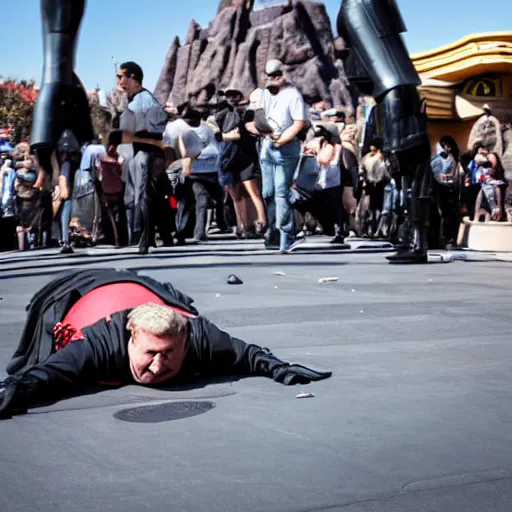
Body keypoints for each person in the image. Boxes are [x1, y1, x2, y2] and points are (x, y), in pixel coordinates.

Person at [0, 269, 331, 419]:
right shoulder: (98, 344)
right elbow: (51, 373)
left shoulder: (201, 336)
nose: (158, 367)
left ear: (184, 342)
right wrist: (13, 390)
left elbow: (249, 354)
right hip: (88, 287)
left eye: (168, 354)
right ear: (131, 338)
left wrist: (280, 369)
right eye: (149, 354)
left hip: (146, 289)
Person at [247, 60, 308, 252]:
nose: (271, 78)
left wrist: (281, 139)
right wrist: (265, 133)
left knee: (281, 192)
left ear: (283, 75)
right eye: (268, 75)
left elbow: (299, 123)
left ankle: (285, 236)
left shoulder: (293, 95)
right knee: (267, 193)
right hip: (267, 148)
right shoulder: (263, 94)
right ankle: (274, 233)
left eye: (275, 75)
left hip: (286, 148)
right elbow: (253, 119)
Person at [118, 61, 173, 254]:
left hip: (145, 153)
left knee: (143, 195)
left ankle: (145, 238)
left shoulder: (142, 100)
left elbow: (140, 131)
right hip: (146, 152)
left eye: (121, 76)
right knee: (151, 193)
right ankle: (160, 235)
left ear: (133, 78)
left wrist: (124, 151)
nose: (119, 81)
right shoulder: (140, 99)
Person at [215, 89, 267, 238]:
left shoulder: (245, 114)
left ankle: (253, 224)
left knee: (248, 193)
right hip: (233, 158)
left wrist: (224, 135)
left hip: (238, 157)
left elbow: (232, 134)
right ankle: (245, 225)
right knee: (241, 194)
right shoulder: (225, 114)